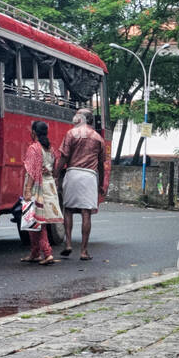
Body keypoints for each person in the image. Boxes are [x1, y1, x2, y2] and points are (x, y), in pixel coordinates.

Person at [55, 108, 110, 261]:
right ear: (91, 120)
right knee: (86, 213)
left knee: (68, 210)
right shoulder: (98, 138)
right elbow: (100, 164)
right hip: (89, 176)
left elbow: (64, 157)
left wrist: (56, 174)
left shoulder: (71, 134)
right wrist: (100, 184)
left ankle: (68, 244)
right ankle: (84, 251)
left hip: (72, 173)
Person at [21, 121, 64, 265]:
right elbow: (53, 168)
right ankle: (35, 253)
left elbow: (32, 172)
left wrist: (27, 190)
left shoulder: (34, 148)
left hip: (37, 188)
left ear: (34, 132)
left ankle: (47, 253)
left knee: (37, 222)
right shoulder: (50, 149)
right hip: (48, 186)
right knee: (34, 221)